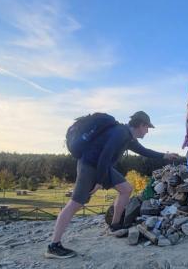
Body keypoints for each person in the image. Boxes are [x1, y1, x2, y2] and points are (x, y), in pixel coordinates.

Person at [45, 111, 179, 259]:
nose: (147, 131)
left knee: (126, 189)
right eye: (147, 128)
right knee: (75, 204)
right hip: (89, 166)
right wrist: (99, 181)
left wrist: (165, 155)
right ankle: (53, 246)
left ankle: (115, 225)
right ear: (141, 125)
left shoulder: (127, 136)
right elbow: (105, 156)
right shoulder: (120, 133)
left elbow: (143, 151)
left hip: (102, 167)